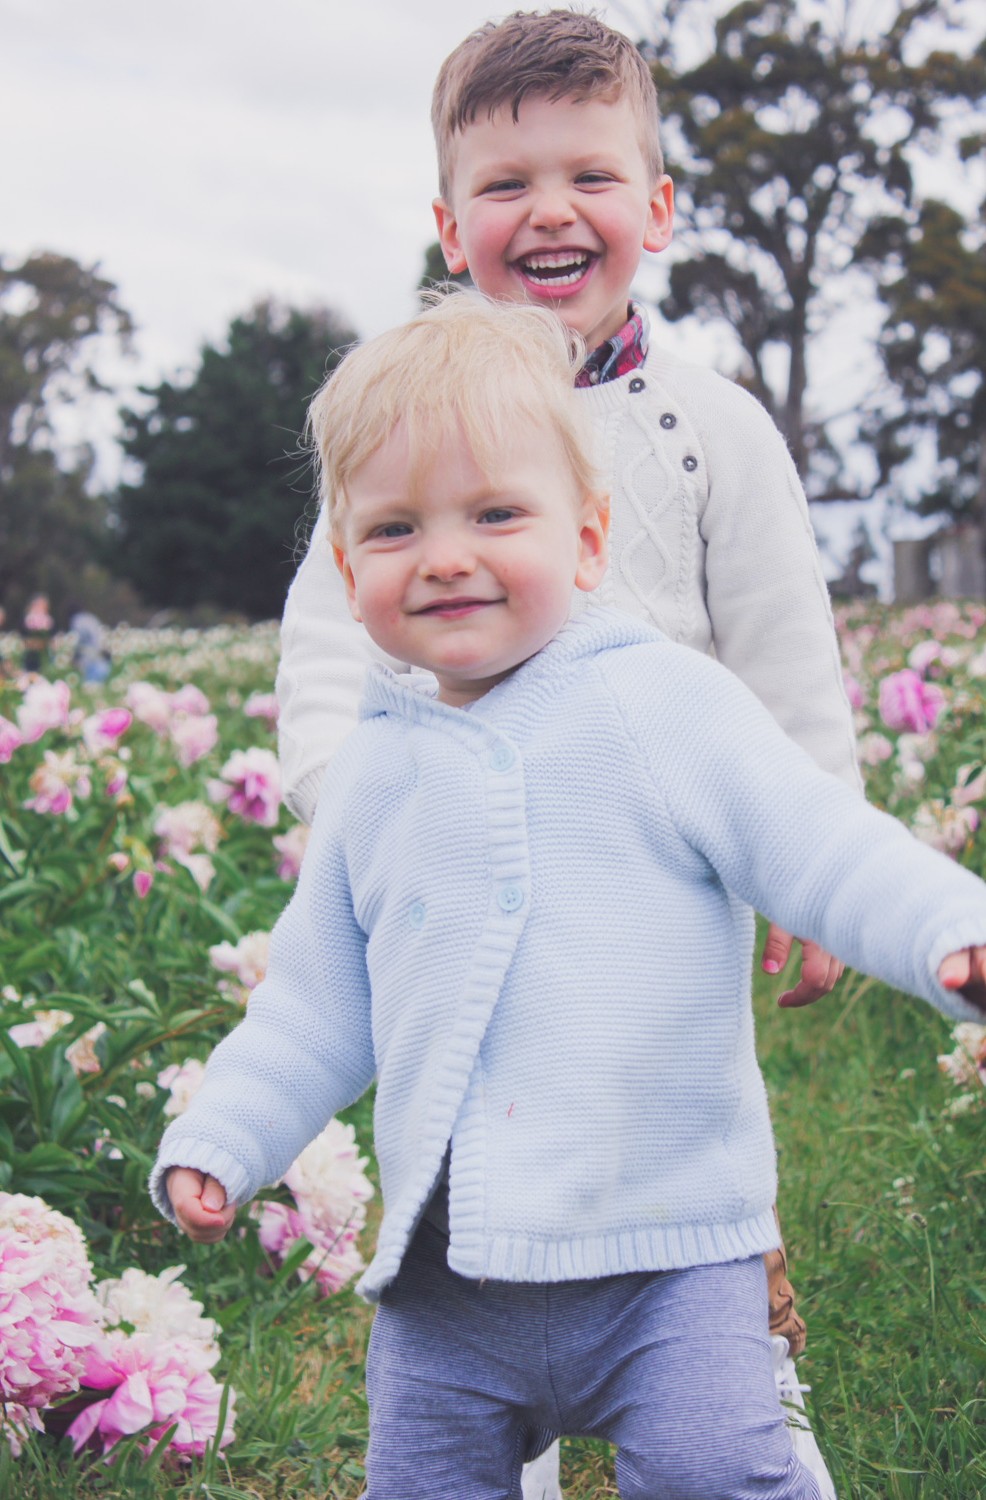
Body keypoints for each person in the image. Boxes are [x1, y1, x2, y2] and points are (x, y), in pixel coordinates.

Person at [152, 296, 986, 1500]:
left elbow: (826, 849)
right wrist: (227, 1139)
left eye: (495, 513)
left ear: (588, 540)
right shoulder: (374, 774)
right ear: (347, 569)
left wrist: (952, 934)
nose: (445, 555)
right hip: (448, 1289)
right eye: (394, 528)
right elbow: (317, 1002)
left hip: (670, 1253)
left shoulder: (661, 706)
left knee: (714, 1469)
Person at [273, 11, 856, 1493]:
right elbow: (328, 641)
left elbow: (789, 646)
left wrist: (818, 860)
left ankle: (733, 1390)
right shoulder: (401, 417)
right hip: (458, 897)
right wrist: (356, 810)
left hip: (661, 887)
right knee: (468, 1148)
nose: (549, 211)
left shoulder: (708, 431)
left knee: (689, 1136)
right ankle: (491, 1432)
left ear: (656, 208)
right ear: (448, 220)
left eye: (590, 174)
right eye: (505, 180)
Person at [21, 594, 53, 674]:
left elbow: (49, 639)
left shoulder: (48, 620)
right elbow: (24, 637)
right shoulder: (28, 620)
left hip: (43, 655)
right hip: (30, 655)